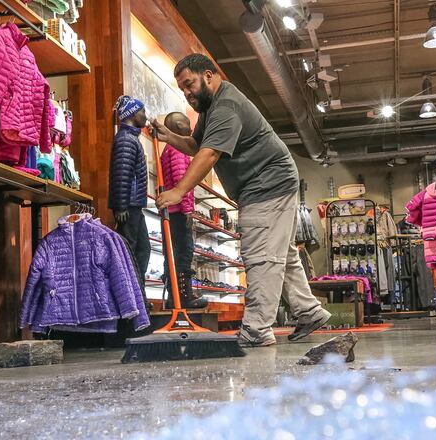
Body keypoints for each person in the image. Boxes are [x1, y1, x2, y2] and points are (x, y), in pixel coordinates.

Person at [150, 53, 331, 347]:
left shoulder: (226, 107)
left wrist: (178, 191)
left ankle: (257, 328)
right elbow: (197, 146)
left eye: (189, 84)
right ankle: (308, 311)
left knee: (261, 255)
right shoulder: (211, 108)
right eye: (182, 88)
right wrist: (168, 135)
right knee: (281, 255)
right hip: (270, 182)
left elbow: (209, 154)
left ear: (208, 75)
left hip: (267, 185)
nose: (187, 92)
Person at [160, 112, 207, 309]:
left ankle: (176, 295)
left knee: (173, 253)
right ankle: (183, 296)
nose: (191, 128)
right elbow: (182, 180)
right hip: (178, 211)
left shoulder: (168, 150)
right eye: (188, 124)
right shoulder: (177, 150)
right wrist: (188, 210)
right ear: (179, 126)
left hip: (171, 211)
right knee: (184, 253)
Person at [109, 95, 150, 308]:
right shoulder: (126, 139)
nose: (145, 116)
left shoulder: (131, 138)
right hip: (129, 206)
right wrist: (121, 204)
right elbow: (121, 173)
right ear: (133, 114)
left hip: (135, 204)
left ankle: (138, 296)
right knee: (131, 252)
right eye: (142, 111)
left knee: (142, 249)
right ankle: (132, 300)